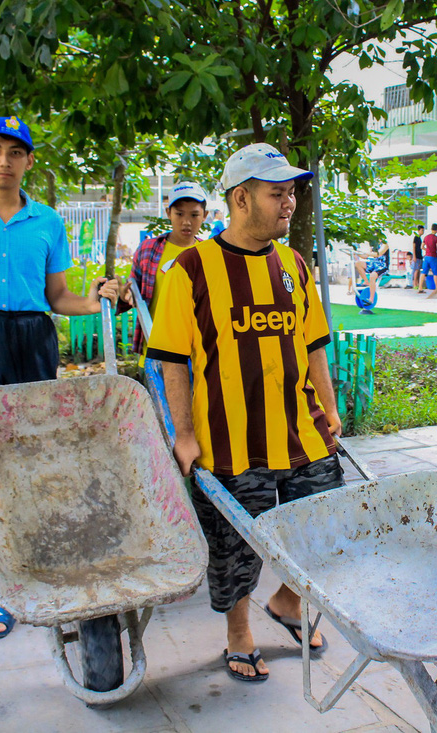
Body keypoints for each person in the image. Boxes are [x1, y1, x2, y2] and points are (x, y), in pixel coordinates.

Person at [146, 142, 343, 683]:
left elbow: (315, 344)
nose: (290, 204)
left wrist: (328, 408)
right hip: (227, 440)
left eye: (292, 193)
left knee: (328, 531)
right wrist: (183, 435)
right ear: (240, 198)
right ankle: (239, 633)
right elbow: (171, 361)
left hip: (301, 432)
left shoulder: (295, 265)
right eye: (277, 193)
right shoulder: (189, 269)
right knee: (235, 548)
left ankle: (287, 603)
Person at [0, 116, 119, 638]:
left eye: (15, 152)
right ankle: (5, 590)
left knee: (36, 454)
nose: (5, 160)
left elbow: (58, 299)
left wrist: (97, 300)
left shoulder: (48, 222)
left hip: (33, 337)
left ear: (29, 161)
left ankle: (48, 569)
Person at [119, 181, 208, 351]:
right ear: (168, 213)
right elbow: (132, 291)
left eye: (194, 215)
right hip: (155, 348)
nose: (186, 222)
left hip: (197, 352)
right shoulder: (148, 250)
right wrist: (125, 295)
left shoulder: (209, 254)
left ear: (205, 215)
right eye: (179, 214)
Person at [353, 239, 389, 312]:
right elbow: (365, 256)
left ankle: (371, 299)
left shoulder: (385, 245)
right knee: (358, 263)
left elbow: (378, 254)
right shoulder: (373, 245)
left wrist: (367, 253)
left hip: (382, 265)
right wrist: (355, 252)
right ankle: (366, 281)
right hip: (373, 263)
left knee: (372, 276)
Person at [422, 223, 437, 298]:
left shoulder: (426, 237)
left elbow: (422, 246)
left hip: (426, 256)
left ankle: (420, 287)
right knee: (435, 273)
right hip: (433, 257)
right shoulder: (436, 238)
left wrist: (427, 250)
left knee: (424, 272)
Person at [411, 224, 425, 292]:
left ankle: (418, 284)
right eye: (422, 230)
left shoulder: (420, 238)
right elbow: (414, 246)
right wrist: (414, 256)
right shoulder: (416, 237)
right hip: (416, 256)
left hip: (420, 256)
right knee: (416, 270)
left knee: (419, 270)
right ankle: (415, 284)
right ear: (419, 230)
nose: (423, 232)